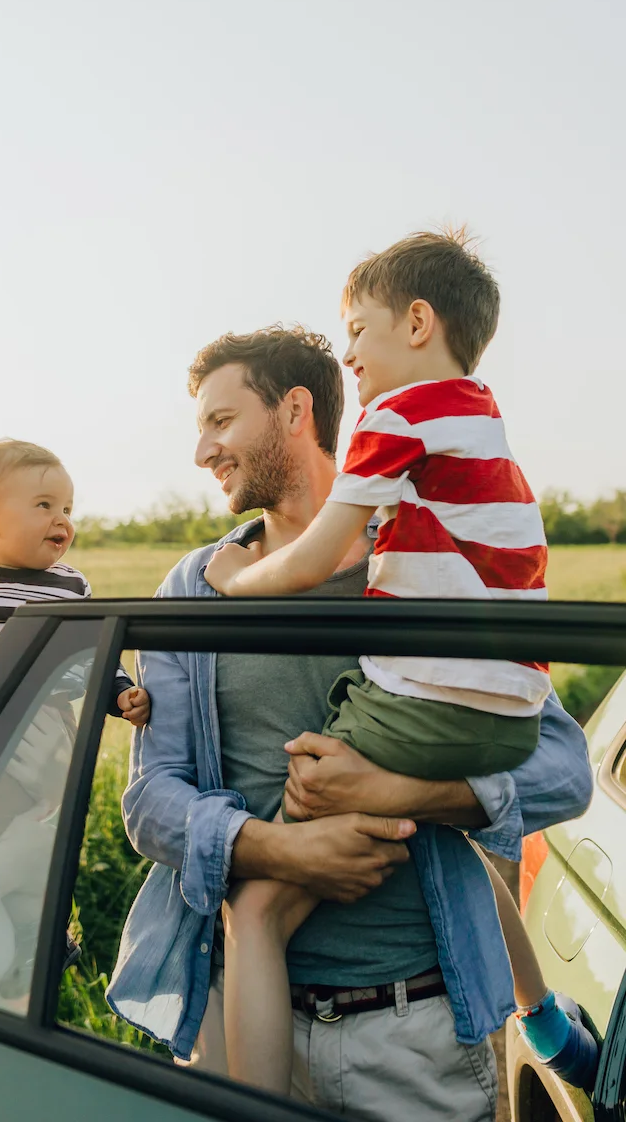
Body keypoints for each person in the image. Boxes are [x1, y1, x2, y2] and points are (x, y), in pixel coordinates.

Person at [106, 322, 593, 1122]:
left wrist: (399, 790)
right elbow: (151, 799)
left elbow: (563, 769)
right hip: (237, 1020)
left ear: (295, 409)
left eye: (221, 422)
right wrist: (279, 847)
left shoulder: (432, 563)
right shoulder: (193, 590)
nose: (202, 451)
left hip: (418, 1035)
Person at [0, 438, 150, 725]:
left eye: (66, 509)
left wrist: (121, 692)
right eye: (44, 505)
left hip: (50, 719)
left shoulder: (71, 585)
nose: (62, 520)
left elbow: (93, 651)